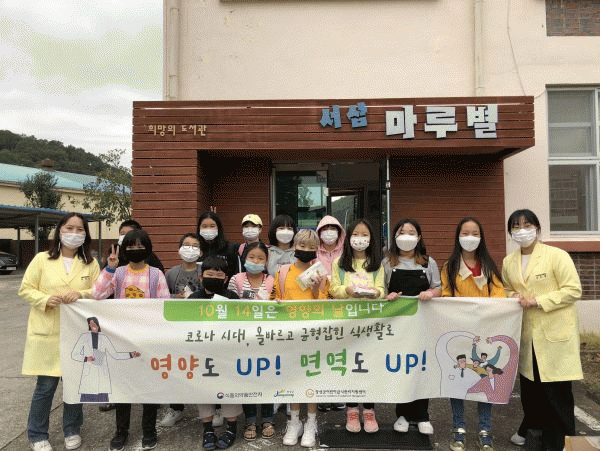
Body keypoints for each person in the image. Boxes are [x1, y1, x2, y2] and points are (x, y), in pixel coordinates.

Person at [501, 209, 582, 451]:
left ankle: (563, 442)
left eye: (527, 225)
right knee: (532, 392)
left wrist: (538, 301)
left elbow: (573, 290)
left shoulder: (556, 255)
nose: (522, 230)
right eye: (516, 226)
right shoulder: (509, 261)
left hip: (555, 334)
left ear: (537, 228)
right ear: (510, 232)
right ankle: (536, 436)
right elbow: (507, 289)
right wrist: (513, 296)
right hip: (528, 336)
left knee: (557, 395)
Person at [19, 212, 100, 451]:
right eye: (69, 228)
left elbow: (99, 291)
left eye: (79, 229)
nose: (74, 233)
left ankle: (72, 429)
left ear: (85, 234)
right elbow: (26, 289)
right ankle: (37, 434)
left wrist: (81, 294)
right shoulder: (41, 259)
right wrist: (45, 299)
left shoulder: (90, 263)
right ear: (60, 231)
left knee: (74, 385)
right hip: (48, 333)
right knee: (45, 387)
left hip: (77, 333)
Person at [93, 228, 170, 451]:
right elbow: (96, 294)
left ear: (148, 248)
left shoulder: (156, 274)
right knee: (123, 387)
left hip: (148, 339)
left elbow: (164, 305)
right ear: (124, 249)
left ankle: (149, 430)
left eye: (140, 245)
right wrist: (109, 267)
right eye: (131, 245)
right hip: (123, 339)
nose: (136, 249)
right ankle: (121, 431)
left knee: (149, 386)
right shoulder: (118, 273)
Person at [441, 217, 505, 451]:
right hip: (459, 334)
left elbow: (499, 297)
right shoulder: (450, 267)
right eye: (465, 233)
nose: (470, 237)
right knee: (458, 381)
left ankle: (485, 430)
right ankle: (458, 428)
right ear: (458, 237)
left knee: (484, 380)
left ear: (481, 237)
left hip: (484, 334)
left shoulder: (488, 266)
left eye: (474, 233)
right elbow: (446, 297)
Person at [383, 218, 441, 436]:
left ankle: (423, 415)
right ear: (395, 237)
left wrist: (430, 293)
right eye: (402, 232)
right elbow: (381, 289)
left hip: (423, 323)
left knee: (422, 367)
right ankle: (403, 415)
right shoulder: (387, 262)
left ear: (419, 237)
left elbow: (438, 288)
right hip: (398, 324)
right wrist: (388, 295)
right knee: (402, 368)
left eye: (411, 232)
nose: (406, 236)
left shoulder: (428, 262)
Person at [272, 229, 329, 447]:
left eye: (311, 247)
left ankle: (311, 423)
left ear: (317, 250)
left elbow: (324, 304)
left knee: (312, 376)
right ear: (294, 246)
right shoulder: (283, 271)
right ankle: (294, 422)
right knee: (293, 376)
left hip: (313, 332)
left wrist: (315, 289)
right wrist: (276, 302)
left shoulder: (321, 273)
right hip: (289, 332)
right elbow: (276, 297)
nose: (306, 250)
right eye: (302, 246)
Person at [329, 219, 385, 434]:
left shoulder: (376, 263)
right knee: (351, 364)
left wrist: (376, 293)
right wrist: (347, 291)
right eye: (356, 235)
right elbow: (334, 289)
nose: (360, 239)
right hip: (347, 321)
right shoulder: (339, 263)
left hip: (370, 322)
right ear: (348, 238)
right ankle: (352, 410)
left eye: (364, 235)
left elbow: (381, 288)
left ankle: (369, 410)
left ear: (371, 239)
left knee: (369, 365)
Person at [189, 256, 243, 450]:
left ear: (226, 278)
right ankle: (207, 429)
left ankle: (231, 428)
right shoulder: (193, 299)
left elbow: (241, 323)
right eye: (209, 274)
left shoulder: (232, 297)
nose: (213, 278)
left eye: (218, 276)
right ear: (201, 277)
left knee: (229, 388)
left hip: (227, 353)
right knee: (203, 389)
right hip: (202, 353)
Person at [227, 242, 277, 441]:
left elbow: (278, 306)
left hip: (267, 338)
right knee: (246, 377)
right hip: (243, 338)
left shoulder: (272, 280)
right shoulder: (236, 279)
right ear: (244, 258)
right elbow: (230, 306)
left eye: (260, 258)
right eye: (252, 257)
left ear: (266, 261)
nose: (256, 261)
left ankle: (268, 419)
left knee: (267, 376)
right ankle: (250, 420)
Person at [158, 233, 202, 427]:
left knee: (204, 366)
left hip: (201, 325)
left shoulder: (204, 270)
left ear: (200, 251)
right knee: (176, 368)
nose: (190, 248)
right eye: (186, 244)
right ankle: (176, 408)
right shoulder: (171, 273)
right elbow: (163, 298)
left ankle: (213, 408)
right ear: (179, 249)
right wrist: (175, 298)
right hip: (177, 327)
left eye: (195, 245)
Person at [70, 317, 141, 403]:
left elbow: (115, 354)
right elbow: (74, 354)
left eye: (94, 323)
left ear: (98, 324)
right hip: (89, 375)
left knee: (102, 399)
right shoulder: (84, 337)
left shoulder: (103, 338)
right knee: (88, 399)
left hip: (101, 375)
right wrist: (86, 358)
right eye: (90, 323)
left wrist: (131, 355)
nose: (92, 325)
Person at [197, 211, 240, 278]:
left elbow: (236, 274)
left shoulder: (230, 248)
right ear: (199, 228)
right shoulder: (195, 248)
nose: (208, 229)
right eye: (204, 226)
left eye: (212, 226)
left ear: (218, 228)